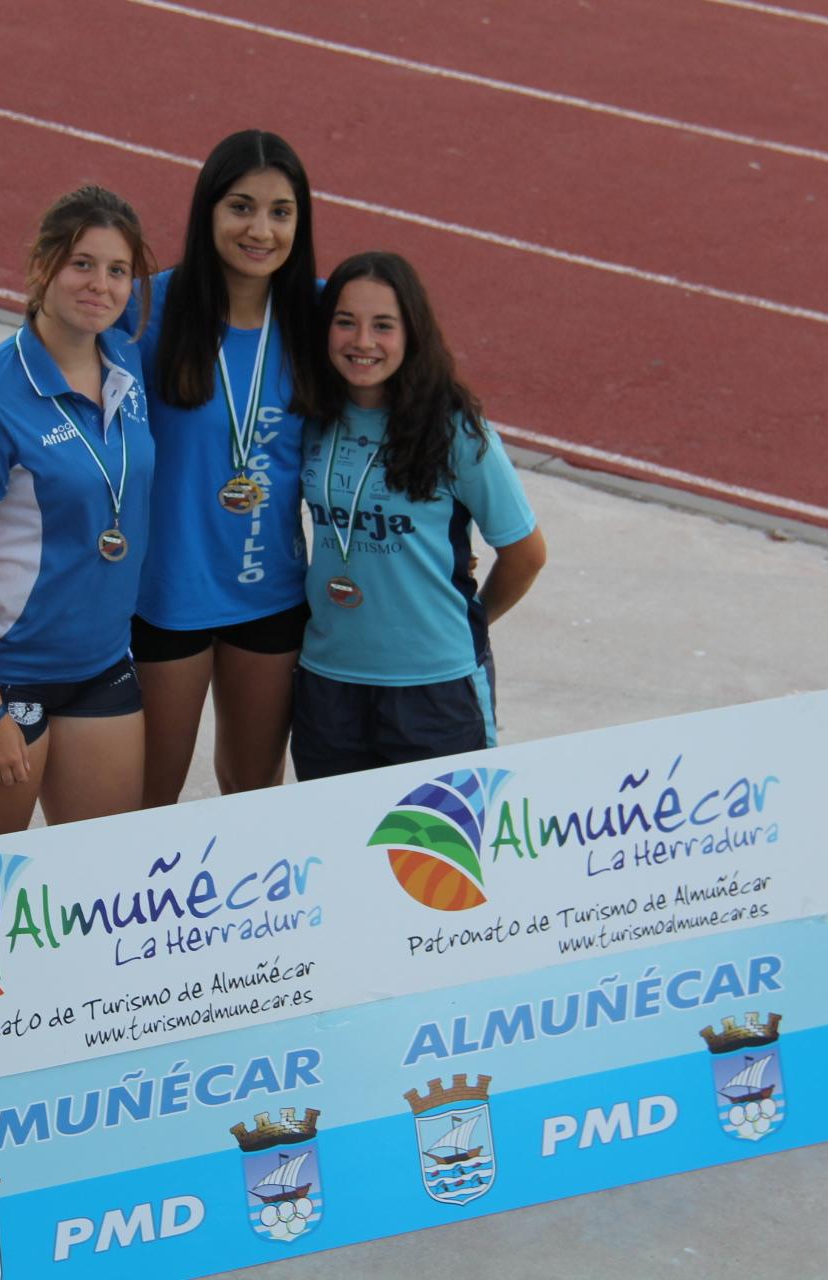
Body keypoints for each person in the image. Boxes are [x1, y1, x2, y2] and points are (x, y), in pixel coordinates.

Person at [0, 186, 156, 843]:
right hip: (5, 675)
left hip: (102, 667)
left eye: (117, 270)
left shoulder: (125, 362)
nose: (100, 285)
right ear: (41, 267)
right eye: (82, 263)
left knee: (100, 881)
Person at [287, 251, 547, 781]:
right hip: (329, 681)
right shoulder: (311, 418)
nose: (363, 341)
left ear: (412, 334)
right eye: (345, 322)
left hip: (435, 688)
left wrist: (470, 622)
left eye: (383, 326)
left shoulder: (456, 432)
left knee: (438, 837)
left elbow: (526, 553)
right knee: (340, 832)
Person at [123, 129, 317, 806]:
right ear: (208, 209)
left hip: (271, 595)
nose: (260, 230)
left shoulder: (319, 316)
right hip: (169, 595)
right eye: (241, 207)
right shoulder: (146, 311)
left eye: (280, 212)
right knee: (150, 799)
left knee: (255, 794)